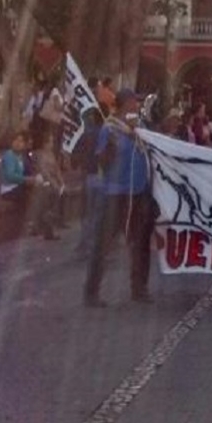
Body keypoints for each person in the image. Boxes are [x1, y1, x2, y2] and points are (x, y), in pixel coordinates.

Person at [84, 88, 154, 307]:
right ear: (125, 104)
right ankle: (92, 292)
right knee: (102, 244)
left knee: (140, 243)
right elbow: (102, 160)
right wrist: (113, 146)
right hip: (114, 194)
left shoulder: (141, 128)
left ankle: (139, 288)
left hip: (138, 191)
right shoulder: (110, 129)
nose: (136, 105)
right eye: (134, 101)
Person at [73, 108, 105, 258]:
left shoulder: (86, 134)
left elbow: (76, 154)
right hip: (104, 177)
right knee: (99, 214)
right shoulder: (108, 134)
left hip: (89, 177)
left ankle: (85, 244)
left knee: (87, 213)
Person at [32, 130, 64, 240]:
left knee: (56, 195)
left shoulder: (51, 154)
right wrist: (53, 182)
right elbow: (43, 171)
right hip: (46, 181)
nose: (52, 144)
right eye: (50, 142)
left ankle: (50, 227)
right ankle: (44, 227)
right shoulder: (40, 155)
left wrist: (61, 181)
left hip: (53, 181)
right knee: (48, 193)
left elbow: (56, 169)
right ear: (45, 143)